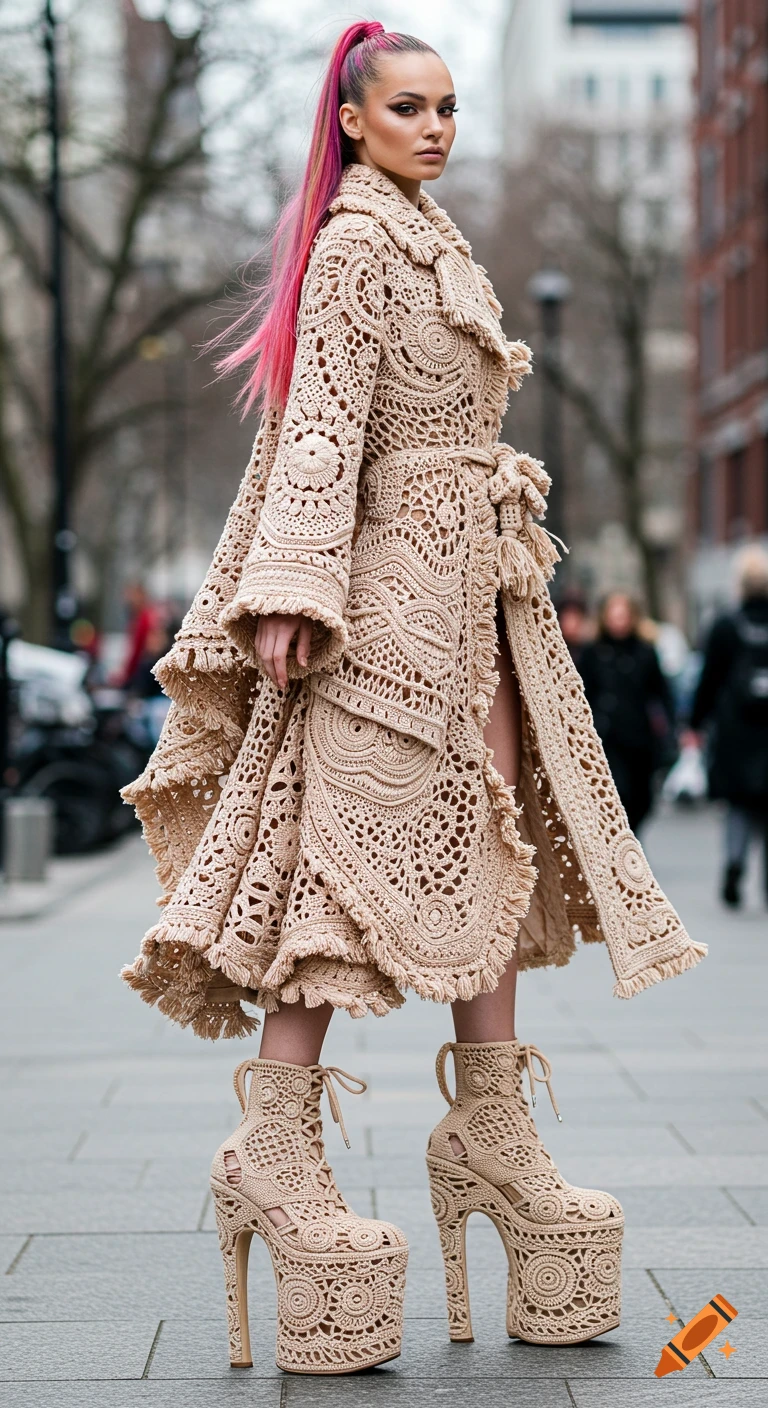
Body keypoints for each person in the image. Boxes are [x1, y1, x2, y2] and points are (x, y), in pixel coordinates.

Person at [119, 24, 705, 1376]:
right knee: (338, 860)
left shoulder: (433, 238)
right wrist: (292, 595)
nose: (436, 127)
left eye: (449, 107)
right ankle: (273, 1147)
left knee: (486, 842)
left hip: (474, 596)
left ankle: (492, 1133)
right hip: (379, 603)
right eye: (409, 108)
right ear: (355, 122)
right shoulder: (353, 246)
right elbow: (319, 428)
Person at [689, 547, 768, 908]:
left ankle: (734, 865)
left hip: (736, 732)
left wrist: (694, 723)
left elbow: (708, 680)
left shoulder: (725, 626)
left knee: (737, 805)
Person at [578, 592, 676, 833]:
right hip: (607, 738)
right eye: (614, 616)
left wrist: (670, 730)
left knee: (642, 799)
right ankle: (620, 843)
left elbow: (661, 693)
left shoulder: (644, 652)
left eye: (623, 616)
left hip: (639, 738)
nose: (618, 622)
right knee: (617, 793)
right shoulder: (593, 653)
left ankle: (630, 838)